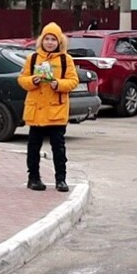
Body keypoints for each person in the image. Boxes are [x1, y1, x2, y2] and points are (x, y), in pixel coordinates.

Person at [18, 22, 80, 192]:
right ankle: (33, 178)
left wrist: (57, 84)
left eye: (53, 39)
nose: (50, 42)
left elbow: (73, 81)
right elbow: (22, 79)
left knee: (58, 148)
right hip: (36, 110)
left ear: (59, 42)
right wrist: (33, 81)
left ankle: (61, 180)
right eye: (47, 39)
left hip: (56, 111)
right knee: (33, 148)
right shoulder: (33, 59)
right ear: (41, 40)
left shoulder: (65, 59)